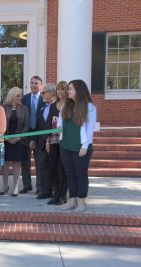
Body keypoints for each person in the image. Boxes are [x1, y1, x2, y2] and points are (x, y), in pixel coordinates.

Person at [59, 79, 97, 213]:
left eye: (70, 89)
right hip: (65, 145)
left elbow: (90, 129)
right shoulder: (66, 106)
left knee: (80, 174)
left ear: (79, 90)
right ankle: (72, 200)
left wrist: (85, 146)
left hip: (81, 147)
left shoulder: (90, 107)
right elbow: (60, 124)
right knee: (69, 174)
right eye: (68, 88)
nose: (68, 91)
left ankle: (82, 202)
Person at [0, 87, 29, 197]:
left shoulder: (24, 108)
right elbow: (0, 124)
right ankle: (5, 186)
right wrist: (6, 138)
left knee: (17, 165)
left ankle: (16, 187)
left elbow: (26, 126)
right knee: (5, 165)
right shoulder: (3, 107)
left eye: (21, 95)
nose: (20, 97)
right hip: (5, 140)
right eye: (18, 95)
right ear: (12, 96)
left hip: (18, 141)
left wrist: (18, 138)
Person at [31, 84, 58, 200]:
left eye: (44, 92)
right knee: (43, 168)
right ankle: (45, 191)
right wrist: (32, 139)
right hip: (41, 143)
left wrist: (49, 139)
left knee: (55, 168)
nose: (42, 95)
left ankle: (56, 192)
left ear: (52, 93)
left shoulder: (58, 107)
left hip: (54, 142)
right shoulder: (42, 107)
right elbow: (38, 125)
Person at [46, 81, 68, 205]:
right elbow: (50, 123)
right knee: (52, 166)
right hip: (54, 141)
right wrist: (48, 141)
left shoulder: (70, 105)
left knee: (63, 168)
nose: (60, 92)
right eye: (58, 89)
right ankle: (56, 194)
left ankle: (63, 195)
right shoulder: (54, 106)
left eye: (63, 89)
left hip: (65, 141)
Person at [20, 76, 44, 194]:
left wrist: (35, 138)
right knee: (25, 162)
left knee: (39, 162)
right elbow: (23, 118)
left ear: (41, 85)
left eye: (36, 83)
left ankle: (39, 186)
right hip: (26, 134)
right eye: (32, 83)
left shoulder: (44, 99)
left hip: (40, 135)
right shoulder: (24, 99)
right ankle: (27, 185)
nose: (34, 85)